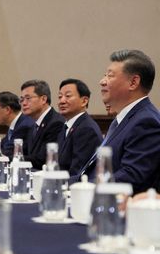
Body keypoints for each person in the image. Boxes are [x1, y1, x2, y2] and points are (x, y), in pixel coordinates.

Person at [82, 49, 160, 193]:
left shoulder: (146, 121)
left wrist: (84, 188)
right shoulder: (123, 119)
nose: (102, 81)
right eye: (104, 75)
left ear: (133, 82)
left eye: (110, 76)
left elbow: (131, 176)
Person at [56, 78, 103, 179]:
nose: (62, 101)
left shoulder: (86, 129)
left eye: (68, 96)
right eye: (60, 97)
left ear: (84, 101)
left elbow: (77, 172)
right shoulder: (66, 126)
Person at [20, 79, 65, 169]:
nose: (24, 103)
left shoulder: (56, 123)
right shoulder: (34, 125)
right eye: (21, 99)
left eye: (28, 98)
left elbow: (42, 159)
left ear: (43, 99)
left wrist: (7, 158)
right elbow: (25, 152)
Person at [0, 91, 33, 159]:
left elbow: (7, 152)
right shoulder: (15, 124)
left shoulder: (24, 125)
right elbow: (3, 145)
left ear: (7, 109)